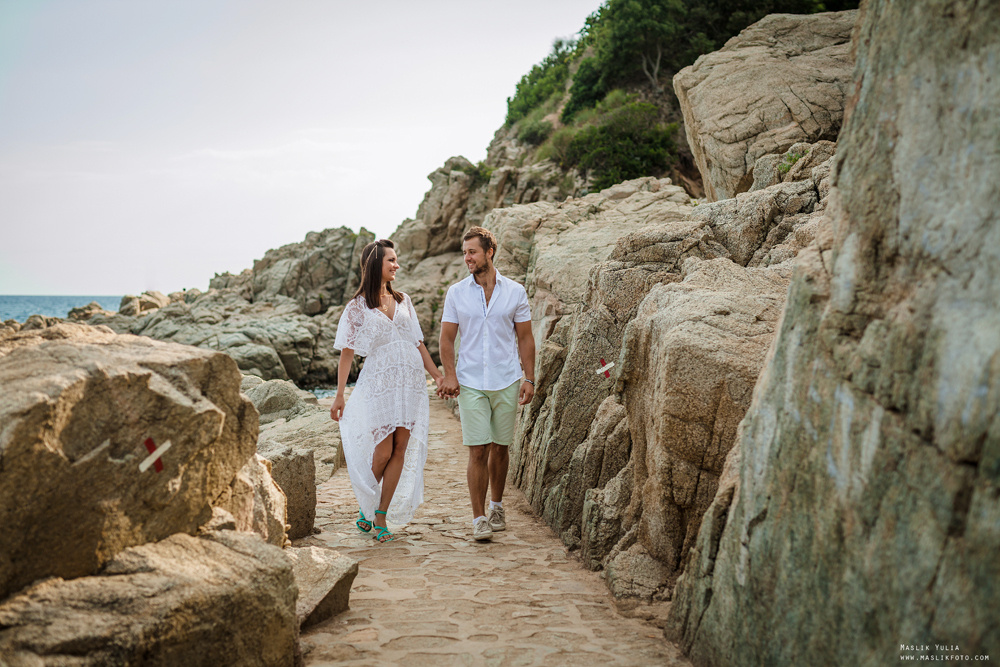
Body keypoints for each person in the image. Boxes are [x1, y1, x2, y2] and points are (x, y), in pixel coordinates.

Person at [330, 239, 444, 543]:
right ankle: (367, 503)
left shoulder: (404, 299)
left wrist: (437, 376)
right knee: (383, 449)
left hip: (410, 383)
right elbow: (347, 353)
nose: (396, 265)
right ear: (375, 264)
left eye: (397, 260)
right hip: (379, 383)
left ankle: (379, 515)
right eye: (391, 260)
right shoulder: (357, 307)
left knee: (401, 449)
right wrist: (340, 394)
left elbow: (418, 342)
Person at [438, 226, 535, 541]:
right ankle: (478, 518)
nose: (467, 258)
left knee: (500, 448)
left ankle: (497, 505)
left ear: (489, 252)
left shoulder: (515, 291)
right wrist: (450, 374)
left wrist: (529, 377)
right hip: (470, 381)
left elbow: (525, 338)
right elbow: (447, 338)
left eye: (472, 252)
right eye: (465, 252)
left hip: (507, 378)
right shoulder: (456, 293)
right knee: (478, 449)